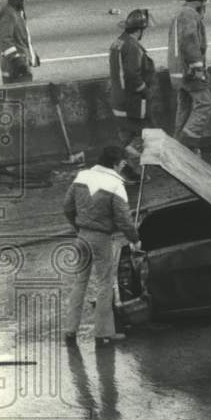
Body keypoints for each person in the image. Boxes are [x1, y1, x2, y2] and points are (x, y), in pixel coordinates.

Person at [62, 145, 140, 346]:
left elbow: (67, 207)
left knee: (80, 283)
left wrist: (77, 227)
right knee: (105, 283)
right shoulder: (116, 185)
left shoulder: (81, 176)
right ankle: (103, 334)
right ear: (119, 163)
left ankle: (70, 331)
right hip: (100, 238)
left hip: (81, 237)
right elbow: (124, 220)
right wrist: (134, 238)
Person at [109, 8, 157, 182]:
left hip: (118, 100)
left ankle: (121, 169)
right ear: (139, 29)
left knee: (126, 135)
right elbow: (132, 74)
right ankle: (131, 171)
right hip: (132, 103)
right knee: (147, 133)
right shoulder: (132, 46)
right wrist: (145, 90)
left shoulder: (118, 43)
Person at [168, 0, 211, 154]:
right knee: (205, 103)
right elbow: (189, 41)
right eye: (205, 3)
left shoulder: (180, 15)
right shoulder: (189, 15)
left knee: (185, 107)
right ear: (200, 2)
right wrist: (198, 68)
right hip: (189, 72)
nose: (205, 7)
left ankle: (177, 145)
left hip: (178, 73)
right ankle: (187, 144)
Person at [0, 0, 41, 84]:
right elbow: (4, 40)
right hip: (14, 66)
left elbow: (22, 37)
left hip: (21, 62)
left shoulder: (18, 11)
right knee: (19, 97)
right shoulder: (8, 13)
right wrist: (16, 59)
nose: (26, 1)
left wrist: (32, 55)